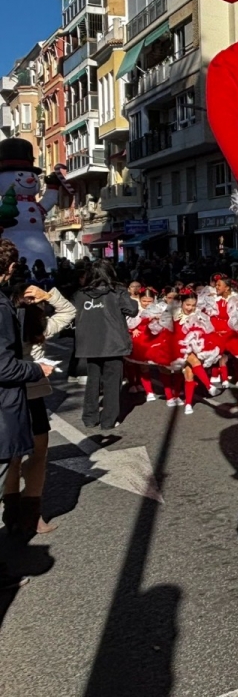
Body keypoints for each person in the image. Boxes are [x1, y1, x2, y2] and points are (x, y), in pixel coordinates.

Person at [0, 238, 55, 580]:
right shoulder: (2, 307)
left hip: (16, 400)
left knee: (33, 451)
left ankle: (26, 514)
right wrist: (37, 370)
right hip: (7, 400)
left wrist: (46, 297)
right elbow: (3, 367)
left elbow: (65, 313)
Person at [2, 279, 75, 535]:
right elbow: (68, 311)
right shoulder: (23, 323)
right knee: (30, 454)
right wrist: (49, 296)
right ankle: (24, 514)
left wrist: (47, 295)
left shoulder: (31, 324)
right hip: (22, 393)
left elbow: (69, 313)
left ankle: (20, 513)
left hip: (19, 395)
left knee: (21, 454)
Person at [72, 261, 138, 430]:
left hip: (90, 343)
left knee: (93, 381)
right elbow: (132, 310)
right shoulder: (117, 292)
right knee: (112, 382)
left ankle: (89, 417)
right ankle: (108, 420)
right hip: (113, 342)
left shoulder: (81, 294)